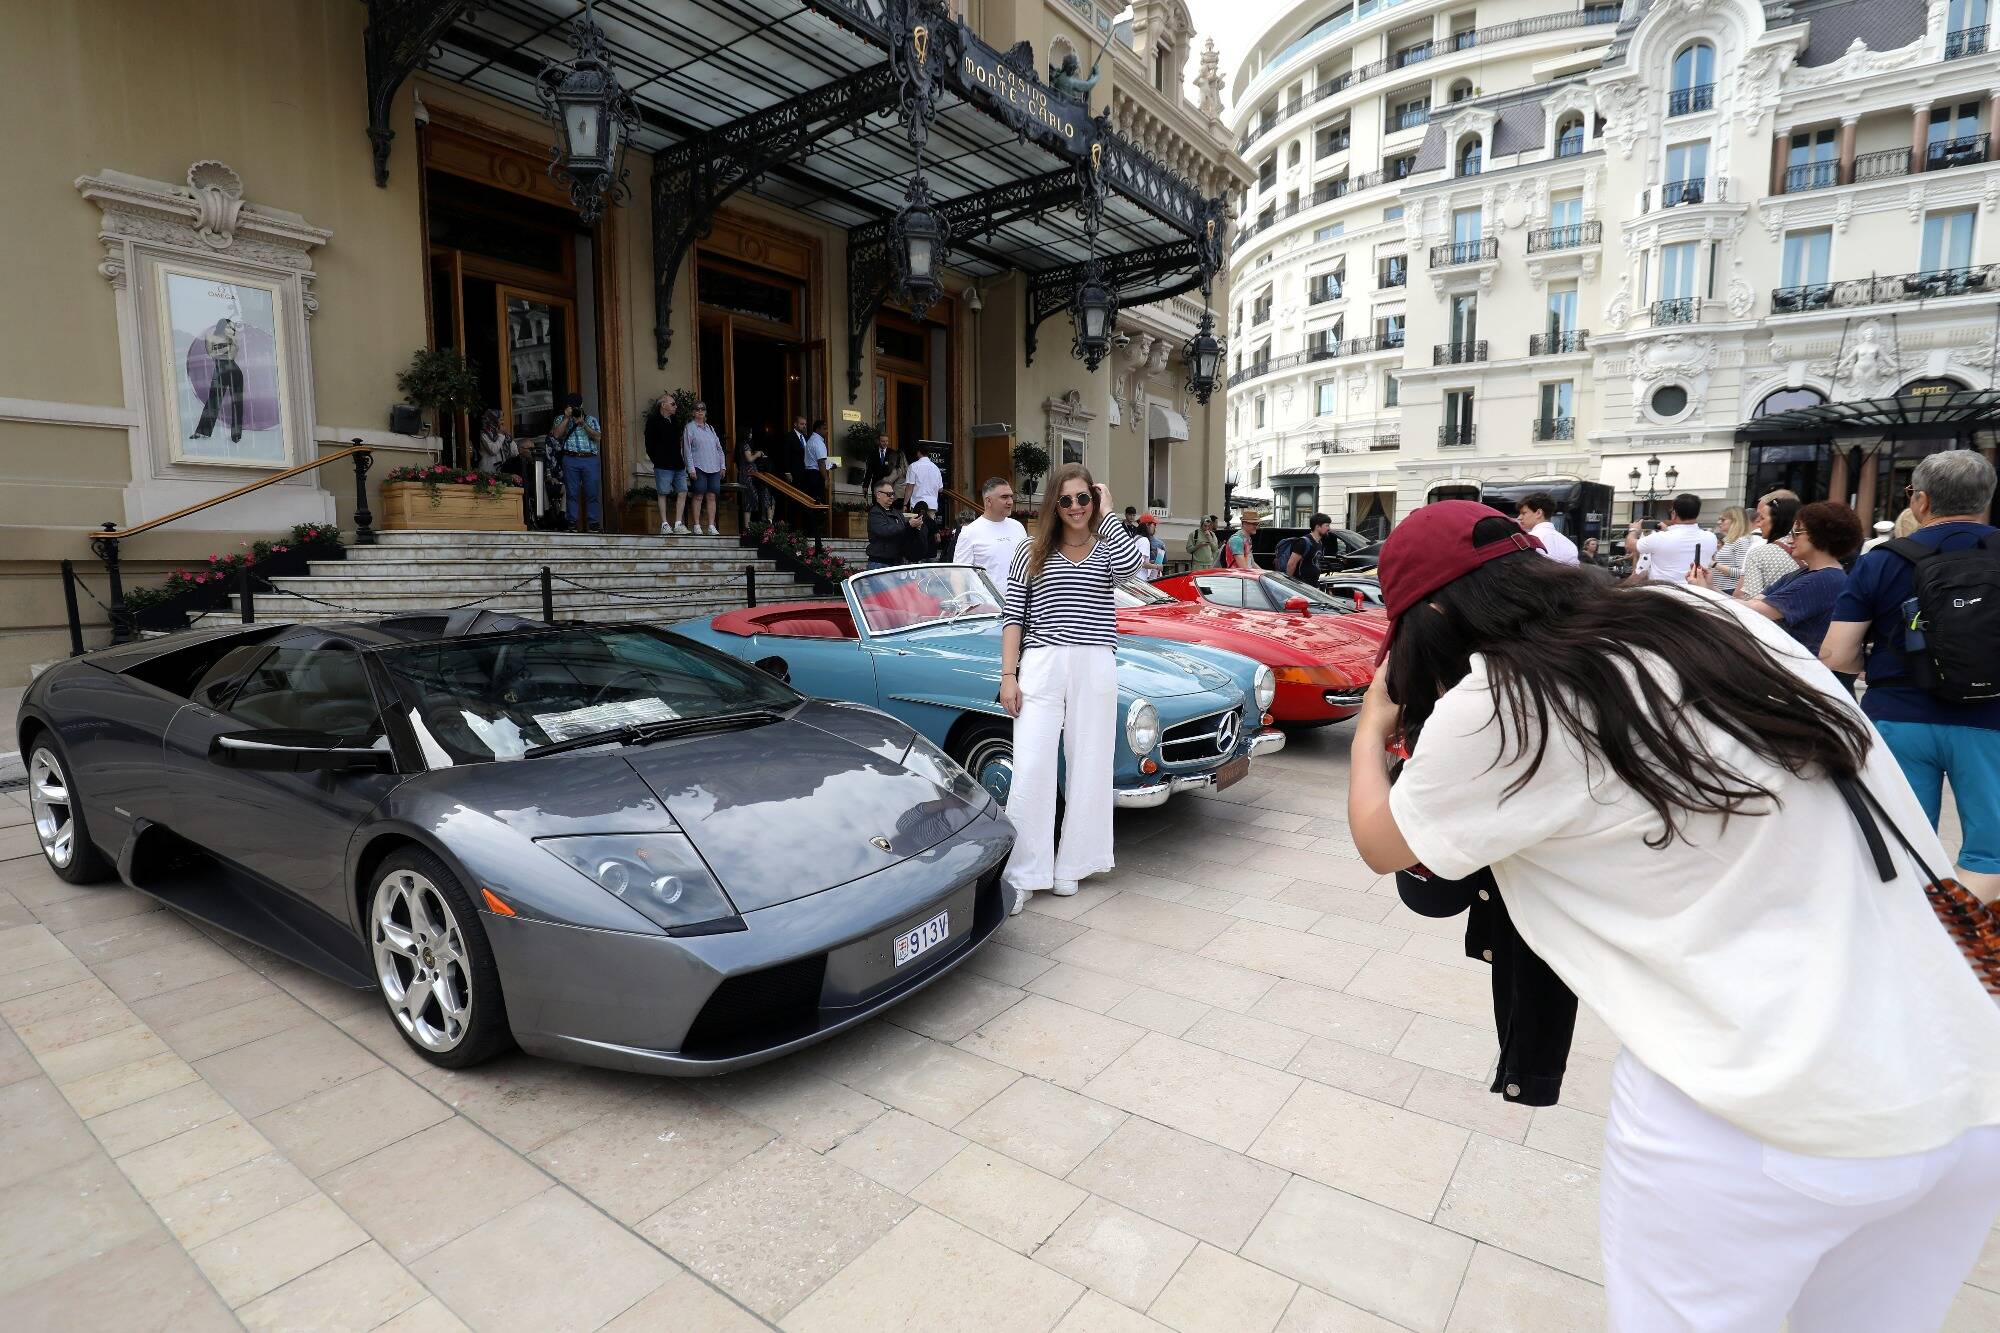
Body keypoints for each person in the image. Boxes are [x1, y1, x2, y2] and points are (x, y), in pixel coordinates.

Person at [1346, 500, 2000, 1329]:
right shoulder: (1699, 611)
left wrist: (1372, 729)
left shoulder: (1509, 695)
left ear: (1432, 619)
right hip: (1966, 1075)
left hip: (1767, 1108)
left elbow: (1384, 841)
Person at [1823, 449, 2000, 902]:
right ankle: (1964, 945)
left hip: (1898, 716)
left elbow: (1836, 654)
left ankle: (1915, 939)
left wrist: (1877, 667)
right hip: (1990, 720)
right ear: (1986, 498)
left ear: (1919, 500)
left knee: (1904, 843)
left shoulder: (1881, 561)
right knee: (1990, 852)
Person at [1000, 464, 1143, 913]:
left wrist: (1111, 512)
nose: (1077, 507)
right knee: (1031, 767)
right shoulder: (1031, 551)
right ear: (1053, 505)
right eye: (1067, 500)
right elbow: (1012, 617)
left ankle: (1073, 866)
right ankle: (1025, 873)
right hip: (1042, 662)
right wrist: (1008, 676)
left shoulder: (1107, 548)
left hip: (1095, 662)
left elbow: (1131, 567)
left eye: (1085, 498)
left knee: (1090, 766)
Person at [1697, 500, 1862, 655]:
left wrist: (1705, 592)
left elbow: (1754, 611)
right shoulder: (1807, 573)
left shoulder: (1824, 579)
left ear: (1819, 536)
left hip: (1801, 672)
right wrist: (1710, 588)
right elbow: (1752, 604)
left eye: (1796, 532)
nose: (1790, 539)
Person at [954, 477, 1028, 595]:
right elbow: (959, 574)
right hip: (988, 608)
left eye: (1011, 496)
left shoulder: (1018, 527)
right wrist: (964, 605)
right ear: (988, 501)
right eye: (1004, 497)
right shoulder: (970, 532)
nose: (1010, 502)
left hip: (1020, 605)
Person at [1624, 492, 1716, 583]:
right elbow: (1680, 544)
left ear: (1674, 514)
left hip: (1665, 594)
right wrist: (1667, 531)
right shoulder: (1711, 538)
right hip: (1697, 592)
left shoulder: (1659, 538)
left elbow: (1630, 545)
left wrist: (1634, 530)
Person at [1736, 490, 1801, 601]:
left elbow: (1751, 599)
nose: (1758, 523)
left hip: (1766, 616)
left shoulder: (1758, 553)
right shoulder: (1808, 551)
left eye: (1762, 518)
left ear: (1776, 521)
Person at [552, 391, 603, 532]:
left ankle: (593, 522)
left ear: (581, 405)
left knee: (592, 492)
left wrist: (583, 424)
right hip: (570, 459)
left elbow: (598, 437)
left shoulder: (591, 419)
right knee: (571, 492)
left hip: (589, 459)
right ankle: (572, 522)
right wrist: (567, 419)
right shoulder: (560, 419)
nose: (573, 409)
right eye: (571, 406)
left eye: (575, 406)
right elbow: (556, 435)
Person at [191, 318, 245, 443]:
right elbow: (212, 354)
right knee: (213, 401)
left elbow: (231, 356)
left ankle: (236, 435)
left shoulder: (232, 339)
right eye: (229, 327)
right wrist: (224, 350)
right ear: (222, 326)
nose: (231, 330)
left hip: (234, 371)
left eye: (232, 328)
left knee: (237, 403)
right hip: (220, 370)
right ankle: (202, 432)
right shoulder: (210, 337)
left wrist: (232, 340)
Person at [642, 394, 689, 535]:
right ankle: (664, 524)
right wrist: (657, 459)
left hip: (678, 463)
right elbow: (649, 444)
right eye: (673, 404)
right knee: (663, 493)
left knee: (683, 491)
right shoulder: (653, 421)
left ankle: (678, 523)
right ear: (663, 405)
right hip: (662, 464)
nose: (676, 406)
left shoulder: (675, 421)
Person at [680, 400, 726, 536]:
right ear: (693, 412)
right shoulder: (690, 428)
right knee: (698, 495)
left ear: (705, 412)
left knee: (712, 496)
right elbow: (687, 450)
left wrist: (722, 466)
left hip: (714, 467)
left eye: (703, 409)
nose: (700, 411)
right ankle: (697, 525)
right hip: (699, 466)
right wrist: (690, 469)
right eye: (697, 409)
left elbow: (719, 449)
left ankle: (711, 525)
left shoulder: (710, 429)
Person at [865, 481, 919, 569]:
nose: (892, 497)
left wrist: (916, 527)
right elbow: (885, 531)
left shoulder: (897, 513)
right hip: (879, 562)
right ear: (878, 495)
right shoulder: (875, 513)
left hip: (896, 561)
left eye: (893, 494)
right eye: (888, 494)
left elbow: (903, 532)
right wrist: (908, 525)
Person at [1515, 493, 1578, 565]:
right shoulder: (1569, 544)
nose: (1519, 518)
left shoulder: (1529, 540)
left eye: (1524, 513)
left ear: (1539, 513)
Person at [1709, 505, 1755, 594]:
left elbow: (1742, 572)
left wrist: (1714, 564)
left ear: (1735, 521)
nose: (1719, 522)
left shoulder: (1741, 541)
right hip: (1721, 589)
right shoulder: (1730, 540)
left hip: (1730, 590)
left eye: (1723, 520)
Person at [1275, 513, 1333, 581]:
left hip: (1313, 585)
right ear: (1317, 527)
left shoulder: (1319, 543)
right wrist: (1289, 583)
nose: (1329, 528)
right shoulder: (1304, 542)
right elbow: (1291, 564)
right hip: (1302, 585)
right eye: (1327, 525)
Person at [737, 430, 771, 526]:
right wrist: (758, 454)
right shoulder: (745, 445)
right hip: (749, 477)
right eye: (750, 432)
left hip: (747, 476)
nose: (751, 434)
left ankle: (748, 527)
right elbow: (749, 459)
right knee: (750, 500)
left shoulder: (741, 445)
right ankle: (748, 527)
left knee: (748, 501)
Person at [475, 409, 515, 476]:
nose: (503, 422)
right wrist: (501, 435)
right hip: (488, 471)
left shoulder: (501, 432)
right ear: (493, 420)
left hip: (501, 470)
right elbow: (493, 450)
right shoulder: (485, 434)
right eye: (501, 419)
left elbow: (514, 452)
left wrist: (509, 438)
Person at [904, 446, 944, 515]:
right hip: (932, 504)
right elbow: (940, 489)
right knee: (930, 525)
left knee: (918, 524)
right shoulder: (936, 468)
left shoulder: (913, 466)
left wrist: (905, 504)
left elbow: (910, 487)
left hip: (918, 504)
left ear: (918, 453)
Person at [1136, 514, 1165, 581]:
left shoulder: (1136, 538)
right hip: (1140, 579)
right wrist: (1157, 566)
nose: (1155, 527)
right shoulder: (1144, 540)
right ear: (1147, 525)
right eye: (1154, 524)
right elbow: (1142, 563)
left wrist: (1150, 562)